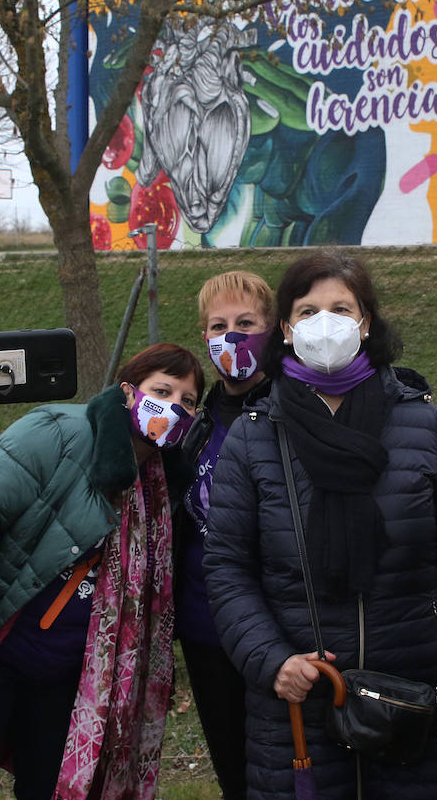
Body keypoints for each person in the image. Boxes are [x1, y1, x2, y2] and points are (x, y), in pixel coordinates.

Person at [204, 249, 437, 799]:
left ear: (365, 324)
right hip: (301, 697)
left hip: (410, 692)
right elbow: (227, 568)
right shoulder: (255, 435)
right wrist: (272, 660)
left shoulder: (422, 422)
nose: (326, 323)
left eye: (341, 309)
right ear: (288, 329)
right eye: (308, 310)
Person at [0, 343, 204, 800]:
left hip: (73, 683)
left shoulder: (165, 488)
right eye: (162, 390)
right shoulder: (58, 433)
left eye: (187, 401)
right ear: (128, 392)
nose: (173, 407)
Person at [177, 271, 275, 800]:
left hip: (281, 624)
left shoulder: (296, 409)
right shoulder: (195, 420)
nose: (230, 336)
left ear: (273, 330)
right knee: (233, 769)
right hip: (206, 625)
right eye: (218, 326)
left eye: (245, 323)